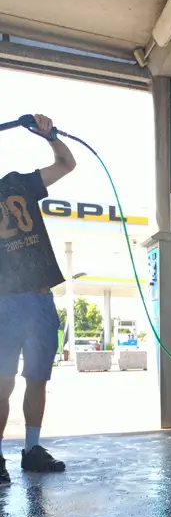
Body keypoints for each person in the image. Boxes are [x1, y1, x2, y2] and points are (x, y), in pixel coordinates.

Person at [0, 114, 76, 485]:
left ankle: (31, 450)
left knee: (37, 378)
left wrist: (50, 135)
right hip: (3, 303)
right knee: (2, 382)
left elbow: (66, 163)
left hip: (39, 301)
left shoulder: (18, 183)